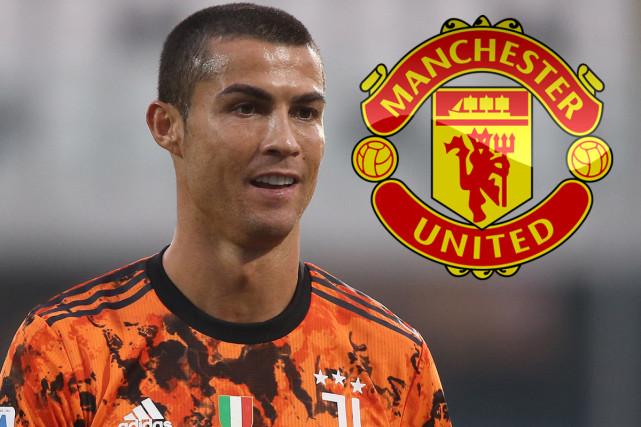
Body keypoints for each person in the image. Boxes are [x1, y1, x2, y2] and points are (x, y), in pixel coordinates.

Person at [0, 4, 452, 426]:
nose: (284, 141)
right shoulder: (67, 350)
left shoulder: (391, 361)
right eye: (246, 108)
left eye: (305, 112)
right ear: (167, 126)